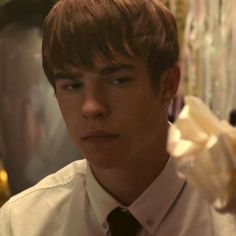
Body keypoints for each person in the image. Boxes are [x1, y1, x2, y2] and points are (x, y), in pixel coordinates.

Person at [0, 0, 235, 235]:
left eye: (118, 80)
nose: (92, 107)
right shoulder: (22, 223)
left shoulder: (225, 216)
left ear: (167, 85)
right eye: (72, 85)